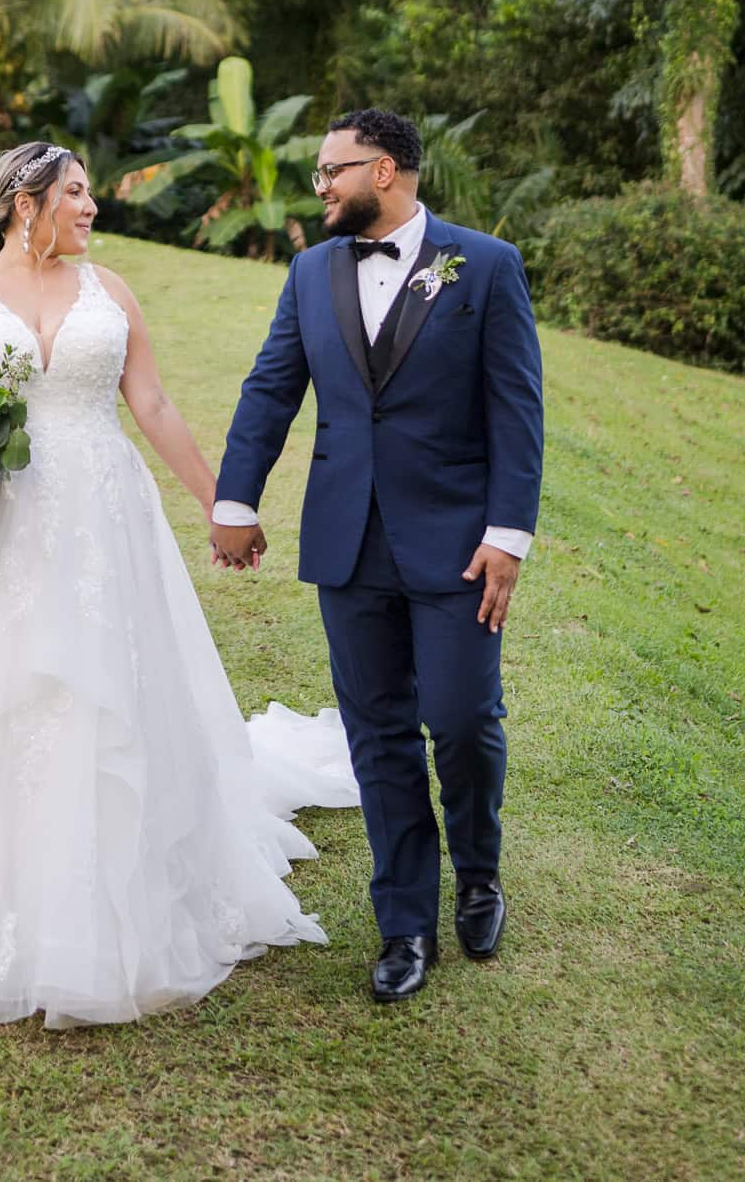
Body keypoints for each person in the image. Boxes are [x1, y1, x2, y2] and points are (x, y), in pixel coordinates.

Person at [0, 140, 357, 1029]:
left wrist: (222, 504)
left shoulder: (112, 294)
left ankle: (109, 862)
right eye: (76, 193)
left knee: (101, 690)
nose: (91, 207)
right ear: (25, 201)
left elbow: (150, 403)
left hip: (103, 522)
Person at [210, 107, 544, 1003]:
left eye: (334, 170)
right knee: (378, 737)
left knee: (463, 720)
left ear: (387, 170)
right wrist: (235, 498)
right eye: (319, 172)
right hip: (347, 544)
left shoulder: (484, 266)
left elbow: (517, 410)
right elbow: (271, 387)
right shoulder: (311, 271)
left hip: (459, 548)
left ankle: (479, 871)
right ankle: (405, 923)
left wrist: (507, 536)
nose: (320, 186)